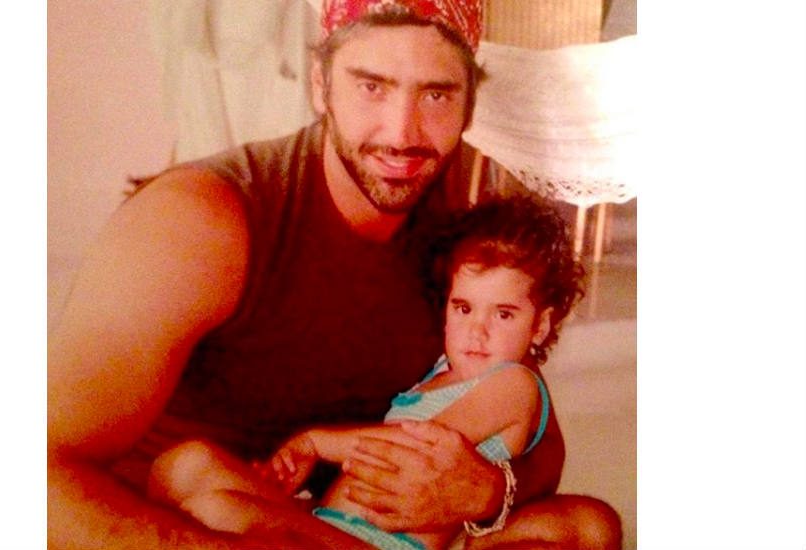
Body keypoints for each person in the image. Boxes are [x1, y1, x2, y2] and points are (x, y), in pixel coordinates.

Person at [47, 1, 622, 548]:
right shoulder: (201, 218)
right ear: (321, 85)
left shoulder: (456, 231)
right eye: (372, 87)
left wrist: (489, 491)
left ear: (469, 104)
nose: (402, 133)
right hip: (199, 522)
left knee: (588, 526)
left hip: (341, 523)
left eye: (436, 94)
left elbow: (538, 438)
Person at [148, 196, 586, 550]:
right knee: (185, 464)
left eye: (504, 314)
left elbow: (403, 449)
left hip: (383, 544)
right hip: (331, 523)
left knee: (217, 512)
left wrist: (315, 442)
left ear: (540, 325)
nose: (478, 330)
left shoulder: (513, 385)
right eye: (463, 307)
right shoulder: (440, 370)